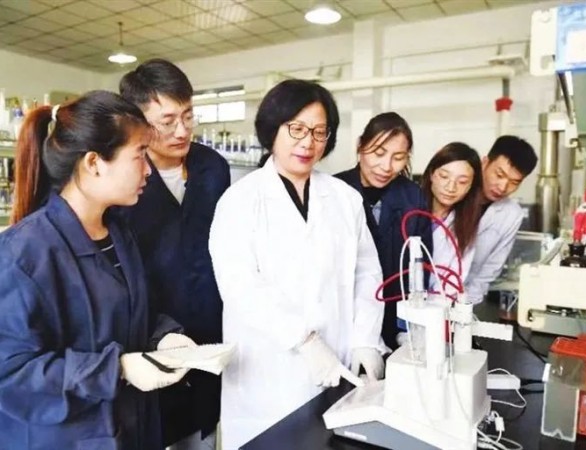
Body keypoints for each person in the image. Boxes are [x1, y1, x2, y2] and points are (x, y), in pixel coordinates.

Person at [0, 91, 194, 450]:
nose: (148, 170)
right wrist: (116, 369)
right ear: (94, 162)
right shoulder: (24, 253)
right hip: (66, 439)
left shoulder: (119, 233)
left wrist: (163, 336)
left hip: (132, 428)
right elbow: (11, 372)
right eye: (139, 155)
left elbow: (130, 312)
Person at [209, 79, 386, 450]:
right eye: (297, 129)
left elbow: (368, 274)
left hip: (337, 366)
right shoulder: (240, 200)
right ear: (273, 128)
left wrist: (366, 341)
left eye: (320, 132)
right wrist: (304, 340)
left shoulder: (345, 199)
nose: (308, 142)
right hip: (267, 374)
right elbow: (240, 285)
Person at [119, 59, 230, 449]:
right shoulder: (127, 179)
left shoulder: (212, 168)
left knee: (204, 433)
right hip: (150, 339)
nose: (181, 131)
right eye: (167, 122)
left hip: (212, 331)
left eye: (188, 116)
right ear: (137, 120)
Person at [335, 112, 432, 349]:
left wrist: (408, 327)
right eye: (379, 153)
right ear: (360, 146)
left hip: (395, 320)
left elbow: (422, 267)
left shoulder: (413, 197)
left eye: (398, 157)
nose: (387, 167)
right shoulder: (334, 191)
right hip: (343, 321)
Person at [465, 135, 538, 304]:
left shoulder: (512, 214)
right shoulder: (457, 192)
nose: (503, 187)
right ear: (484, 163)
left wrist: (466, 304)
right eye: (499, 175)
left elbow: (491, 268)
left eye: (514, 182)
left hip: (467, 298)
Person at [421, 143, 483, 296]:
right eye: (444, 176)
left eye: (462, 182)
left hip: (436, 304)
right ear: (431, 174)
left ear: (471, 186)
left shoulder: (466, 225)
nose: (451, 187)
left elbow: (453, 282)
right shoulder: (408, 209)